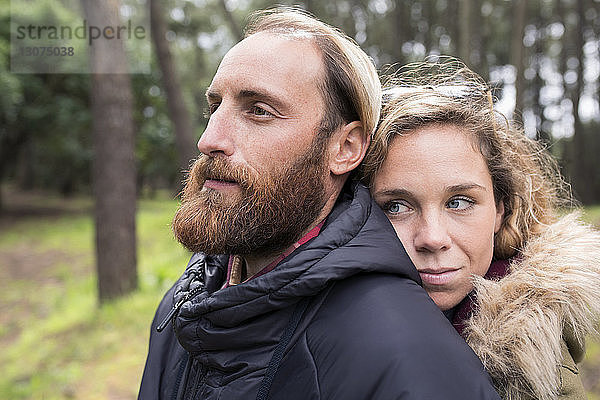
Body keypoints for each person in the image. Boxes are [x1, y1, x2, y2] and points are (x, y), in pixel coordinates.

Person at [138, 9, 501, 400]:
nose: (209, 139)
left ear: (344, 148)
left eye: (259, 111)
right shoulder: (189, 297)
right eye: (215, 107)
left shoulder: (409, 357)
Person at [361, 58, 600, 400]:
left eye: (459, 202)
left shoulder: (539, 368)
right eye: (396, 206)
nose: (432, 237)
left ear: (501, 210)